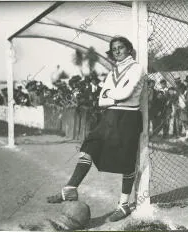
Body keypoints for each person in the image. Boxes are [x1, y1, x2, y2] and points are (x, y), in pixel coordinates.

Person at [47, 36, 144, 222]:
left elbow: (126, 93)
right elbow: (101, 101)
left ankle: (124, 204)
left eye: (121, 47)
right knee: (89, 146)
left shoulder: (136, 67)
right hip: (109, 117)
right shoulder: (112, 72)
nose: (117, 51)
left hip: (128, 117)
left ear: (129, 50)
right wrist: (113, 97)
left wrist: (110, 95)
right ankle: (70, 189)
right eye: (113, 48)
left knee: (127, 160)